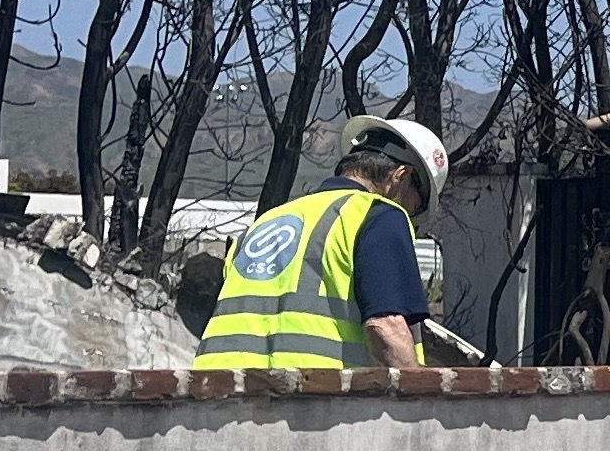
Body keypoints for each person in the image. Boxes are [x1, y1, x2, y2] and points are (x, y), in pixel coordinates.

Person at [193, 116, 450, 373]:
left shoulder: (267, 221)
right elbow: (385, 327)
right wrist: (421, 398)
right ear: (401, 177)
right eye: (415, 206)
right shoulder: (378, 215)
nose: (410, 217)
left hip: (214, 393)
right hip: (312, 398)